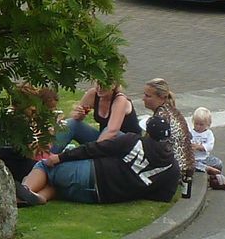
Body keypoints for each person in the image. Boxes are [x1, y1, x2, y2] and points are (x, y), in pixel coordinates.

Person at [19, 79, 181, 206]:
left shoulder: (131, 138)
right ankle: (39, 197)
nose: (143, 98)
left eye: (147, 95)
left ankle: (23, 192)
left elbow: (106, 138)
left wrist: (61, 158)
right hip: (100, 196)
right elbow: (162, 197)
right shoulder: (172, 168)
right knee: (59, 185)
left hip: (99, 166)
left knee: (45, 167)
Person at [55, 79, 139, 151]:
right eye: (97, 83)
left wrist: (91, 150)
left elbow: (112, 131)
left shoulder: (120, 100)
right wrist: (78, 115)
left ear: (114, 85)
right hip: (104, 140)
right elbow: (73, 117)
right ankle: (47, 156)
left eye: (103, 85)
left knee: (109, 131)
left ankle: (92, 159)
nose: (99, 88)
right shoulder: (93, 94)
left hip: (126, 144)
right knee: (71, 123)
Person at [189, 105, 225, 191]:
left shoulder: (208, 134)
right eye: (196, 124)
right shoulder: (190, 133)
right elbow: (186, 143)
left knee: (218, 163)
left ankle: (213, 176)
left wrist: (200, 147)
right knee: (192, 165)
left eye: (201, 124)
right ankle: (207, 169)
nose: (198, 127)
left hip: (205, 157)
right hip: (194, 158)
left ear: (208, 124)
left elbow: (210, 146)